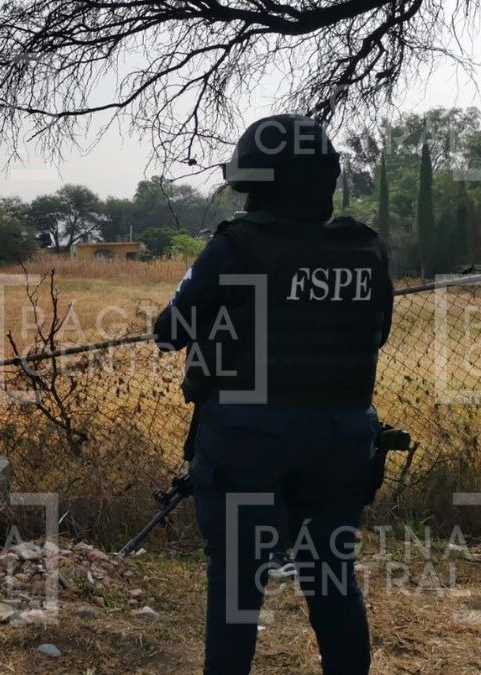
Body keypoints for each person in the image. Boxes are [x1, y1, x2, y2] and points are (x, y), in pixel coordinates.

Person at [153, 114, 394, 674]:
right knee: (331, 578)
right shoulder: (368, 248)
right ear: (325, 178)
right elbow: (375, 334)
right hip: (341, 439)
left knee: (238, 589)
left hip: (245, 440)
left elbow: (170, 330)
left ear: (256, 185)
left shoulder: (237, 244)